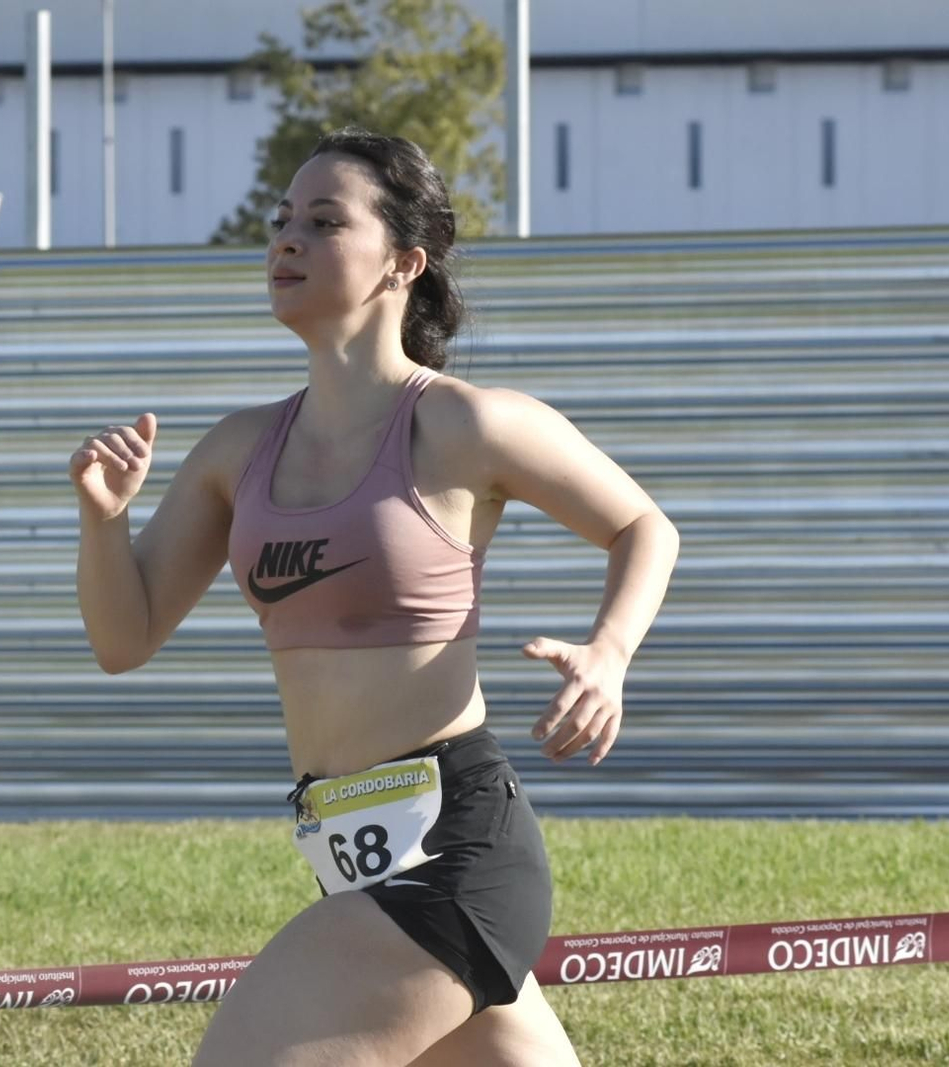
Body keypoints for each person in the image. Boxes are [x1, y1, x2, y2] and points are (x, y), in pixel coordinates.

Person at [69, 126, 680, 1066]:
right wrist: (104, 522)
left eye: (322, 221)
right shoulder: (238, 452)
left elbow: (644, 527)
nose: (285, 241)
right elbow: (126, 636)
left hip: (456, 850)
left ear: (403, 261)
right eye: (280, 222)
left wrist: (610, 654)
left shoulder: (463, 423)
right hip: (352, 849)